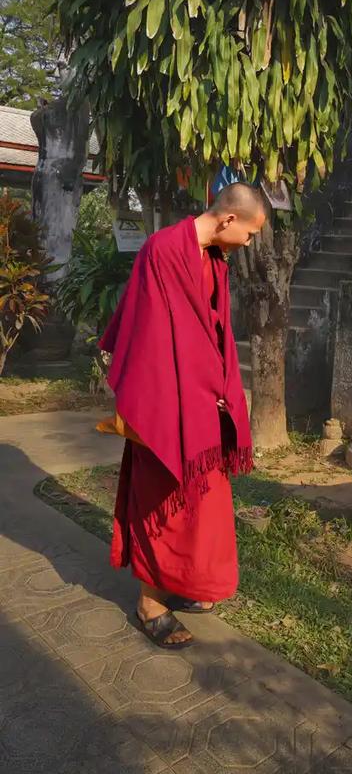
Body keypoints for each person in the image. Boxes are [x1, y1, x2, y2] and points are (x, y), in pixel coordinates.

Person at [97, 183, 267, 649]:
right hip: (164, 407)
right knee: (161, 500)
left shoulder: (213, 258)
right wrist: (192, 392)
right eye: (251, 234)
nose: (250, 243)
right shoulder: (163, 250)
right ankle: (150, 601)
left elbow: (212, 333)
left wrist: (219, 392)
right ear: (230, 220)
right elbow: (155, 336)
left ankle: (185, 582)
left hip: (202, 404)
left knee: (203, 505)